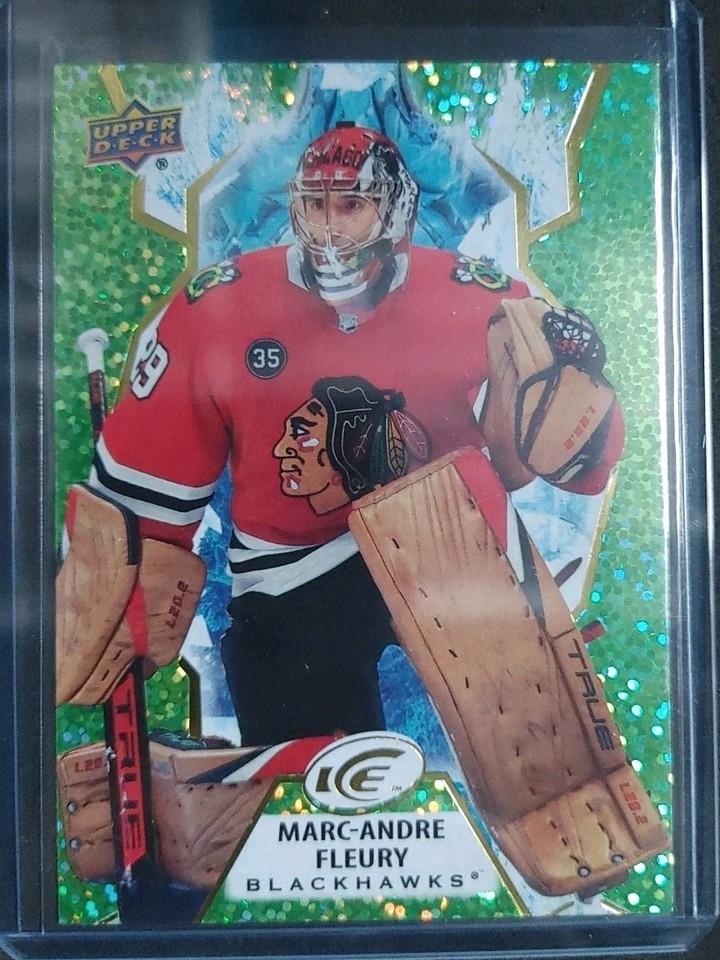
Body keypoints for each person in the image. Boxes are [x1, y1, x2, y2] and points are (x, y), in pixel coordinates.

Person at [89, 122, 624, 745]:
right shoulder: (217, 307)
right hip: (291, 566)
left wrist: (570, 399)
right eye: (315, 206)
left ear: (395, 211)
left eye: (351, 205)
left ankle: (554, 758)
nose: (329, 229)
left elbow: (590, 465)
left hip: (443, 537)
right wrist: (123, 587)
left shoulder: (483, 300)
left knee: (536, 731)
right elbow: (144, 493)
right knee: (315, 760)